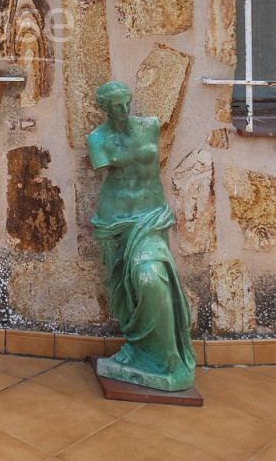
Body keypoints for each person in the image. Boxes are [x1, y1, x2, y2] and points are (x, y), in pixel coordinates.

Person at [87, 80, 196, 392]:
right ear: (103, 108)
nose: (122, 110)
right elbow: (103, 170)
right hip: (114, 221)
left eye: (126, 103)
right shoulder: (97, 138)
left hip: (149, 217)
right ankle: (134, 350)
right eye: (115, 106)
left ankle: (166, 356)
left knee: (151, 276)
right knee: (122, 288)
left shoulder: (150, 127)